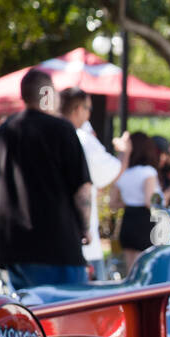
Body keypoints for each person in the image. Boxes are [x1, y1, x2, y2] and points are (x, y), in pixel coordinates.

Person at [0, 68, 93, 289]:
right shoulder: (62, 129)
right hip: (58, 244)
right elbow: (82, 190)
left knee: (29, 318)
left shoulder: (4, 131)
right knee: (68, 317)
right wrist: (85, 226)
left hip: (16, 248)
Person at [60, 87, 129, 279]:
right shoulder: (82, 139)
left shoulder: (46, 137)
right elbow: (108, 174)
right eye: (88, 108)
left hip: (49, 240)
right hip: (81, 242)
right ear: (77, 109)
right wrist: (125, 151)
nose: (89, 114)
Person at [111, 131, 161, 275]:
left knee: (130, 271)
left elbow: (113, 203)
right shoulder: (148, 172)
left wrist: (129, 201)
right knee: (145, 270)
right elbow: (149, 201)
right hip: (144, 222)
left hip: (128, 220)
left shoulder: (123, 173)